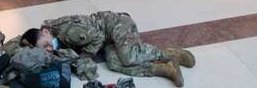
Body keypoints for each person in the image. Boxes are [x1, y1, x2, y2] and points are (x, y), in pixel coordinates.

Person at [24, 13, 191, 85]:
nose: (48, 49)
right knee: (114, 63)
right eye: (44, 49)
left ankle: (169, 53)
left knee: (127, 58)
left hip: (116, 25)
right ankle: (164, 69)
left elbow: (97, 36)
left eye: (46, 45)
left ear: (45, 32)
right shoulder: (54, 39)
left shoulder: (68, 31)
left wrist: (85, 56)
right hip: (107, 40)